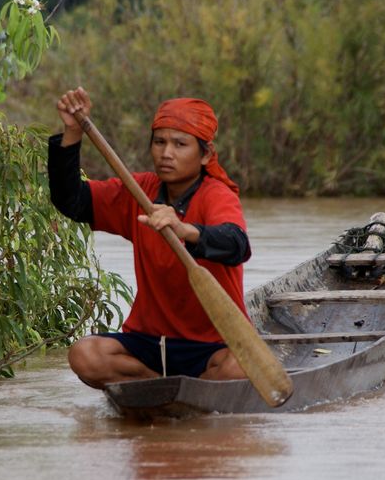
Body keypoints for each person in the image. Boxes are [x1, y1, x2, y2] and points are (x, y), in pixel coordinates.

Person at [48, 87, 251, 388]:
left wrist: (185, 230)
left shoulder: (215, 195)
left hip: (212, 344)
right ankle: (163, 388)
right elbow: (72, 201)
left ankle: (187, 392)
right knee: (85, 355)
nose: (167, 153)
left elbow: (237, 244)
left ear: (206, 154)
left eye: (180, 144)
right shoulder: (138, 190)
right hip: (149, 341)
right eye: (159, 142)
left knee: (240, 368)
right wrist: (72, 133)